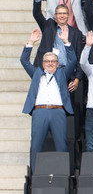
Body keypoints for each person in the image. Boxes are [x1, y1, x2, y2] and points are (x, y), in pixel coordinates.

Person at [22, 29, 78, 168]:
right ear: (42, 63)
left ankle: (63, 175)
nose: (50, 63)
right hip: (39, 112)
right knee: (36, 145)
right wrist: (31, 42)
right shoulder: (36, 73)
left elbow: (73, 60)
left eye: (53, 61)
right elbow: (24, 60)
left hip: (57, 112)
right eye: (47, 61)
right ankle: (35, 178)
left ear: (58, 64)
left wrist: (66, 42)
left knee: (61, 145)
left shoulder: (62, 74)